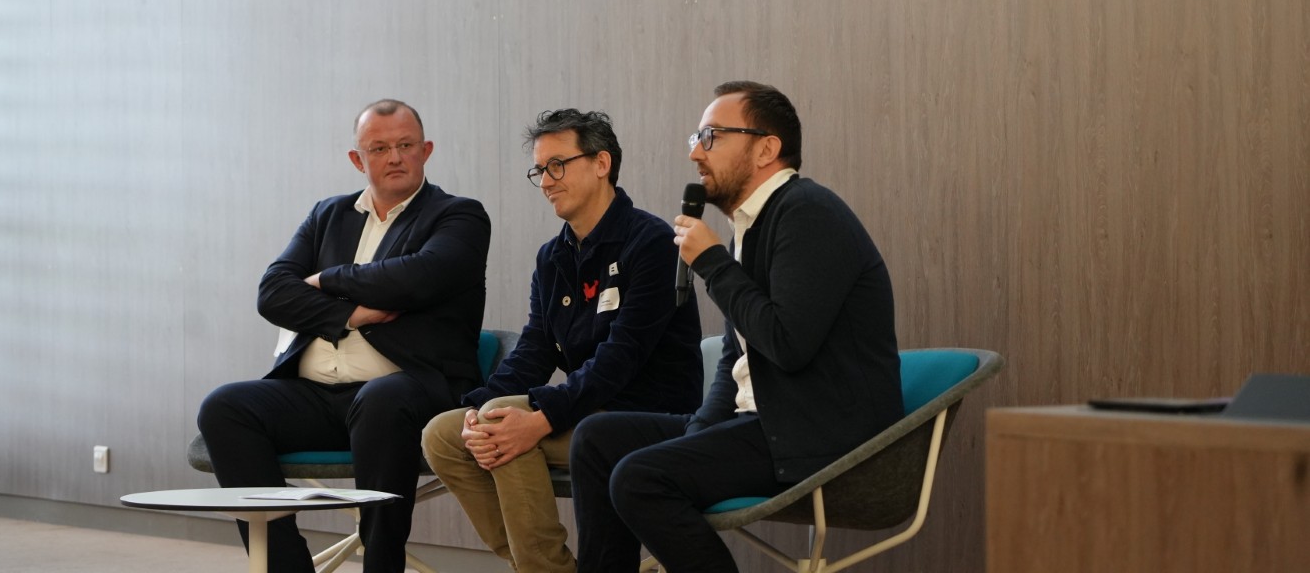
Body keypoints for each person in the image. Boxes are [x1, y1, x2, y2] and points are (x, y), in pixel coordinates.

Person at [570, 82, 903, 573]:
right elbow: (738, 357)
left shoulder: (807, 212)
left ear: (766, 149)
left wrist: (711, 263)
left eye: (711, 137)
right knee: (597, 439)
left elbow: (786, 344)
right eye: (696, 138)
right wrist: (698, 434)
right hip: (763, 423)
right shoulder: (750, 227)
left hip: (817, 435)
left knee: (639, 478)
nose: (695, 153)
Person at [197, 99, 491, 573]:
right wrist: (352, 314)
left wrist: (326, 279)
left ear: (426, 150)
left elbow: (419, 277)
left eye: (406, 145)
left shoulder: (459, 216)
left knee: (382, 399)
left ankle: (381, 565)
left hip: (410, 392)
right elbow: (273, 293)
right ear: (358, 159)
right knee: (225, 407)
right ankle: (285, 567)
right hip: (315, 396)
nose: (395, 157)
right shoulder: (328, 214)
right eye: (379, 148)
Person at [422, 108, 702, 573]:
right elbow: (534, 348)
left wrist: (541, 416)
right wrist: (475, 408)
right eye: (540, 170)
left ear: (601, 163)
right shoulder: (552, 257)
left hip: (644, 414)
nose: (546, 181)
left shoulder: (651, 242)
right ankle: (546, 567)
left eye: (558, 165)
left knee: (507, 427)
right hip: (583, 410)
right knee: (444, 435)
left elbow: (622, 356)